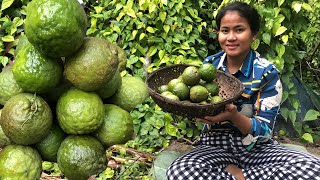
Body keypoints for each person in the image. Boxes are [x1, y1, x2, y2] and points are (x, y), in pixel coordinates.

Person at [166, 1, 320, 179]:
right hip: (214, 147)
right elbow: (195, 100)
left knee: (313, 169)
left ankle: (238, 175)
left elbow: (264, 131)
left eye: (239, 30)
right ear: (219, 34)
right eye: (225, 31)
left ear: (253, 34)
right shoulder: (209, 66)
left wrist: (234, 117)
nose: (231, 37)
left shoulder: (266, 73)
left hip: (257, 149)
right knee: (180, 172)